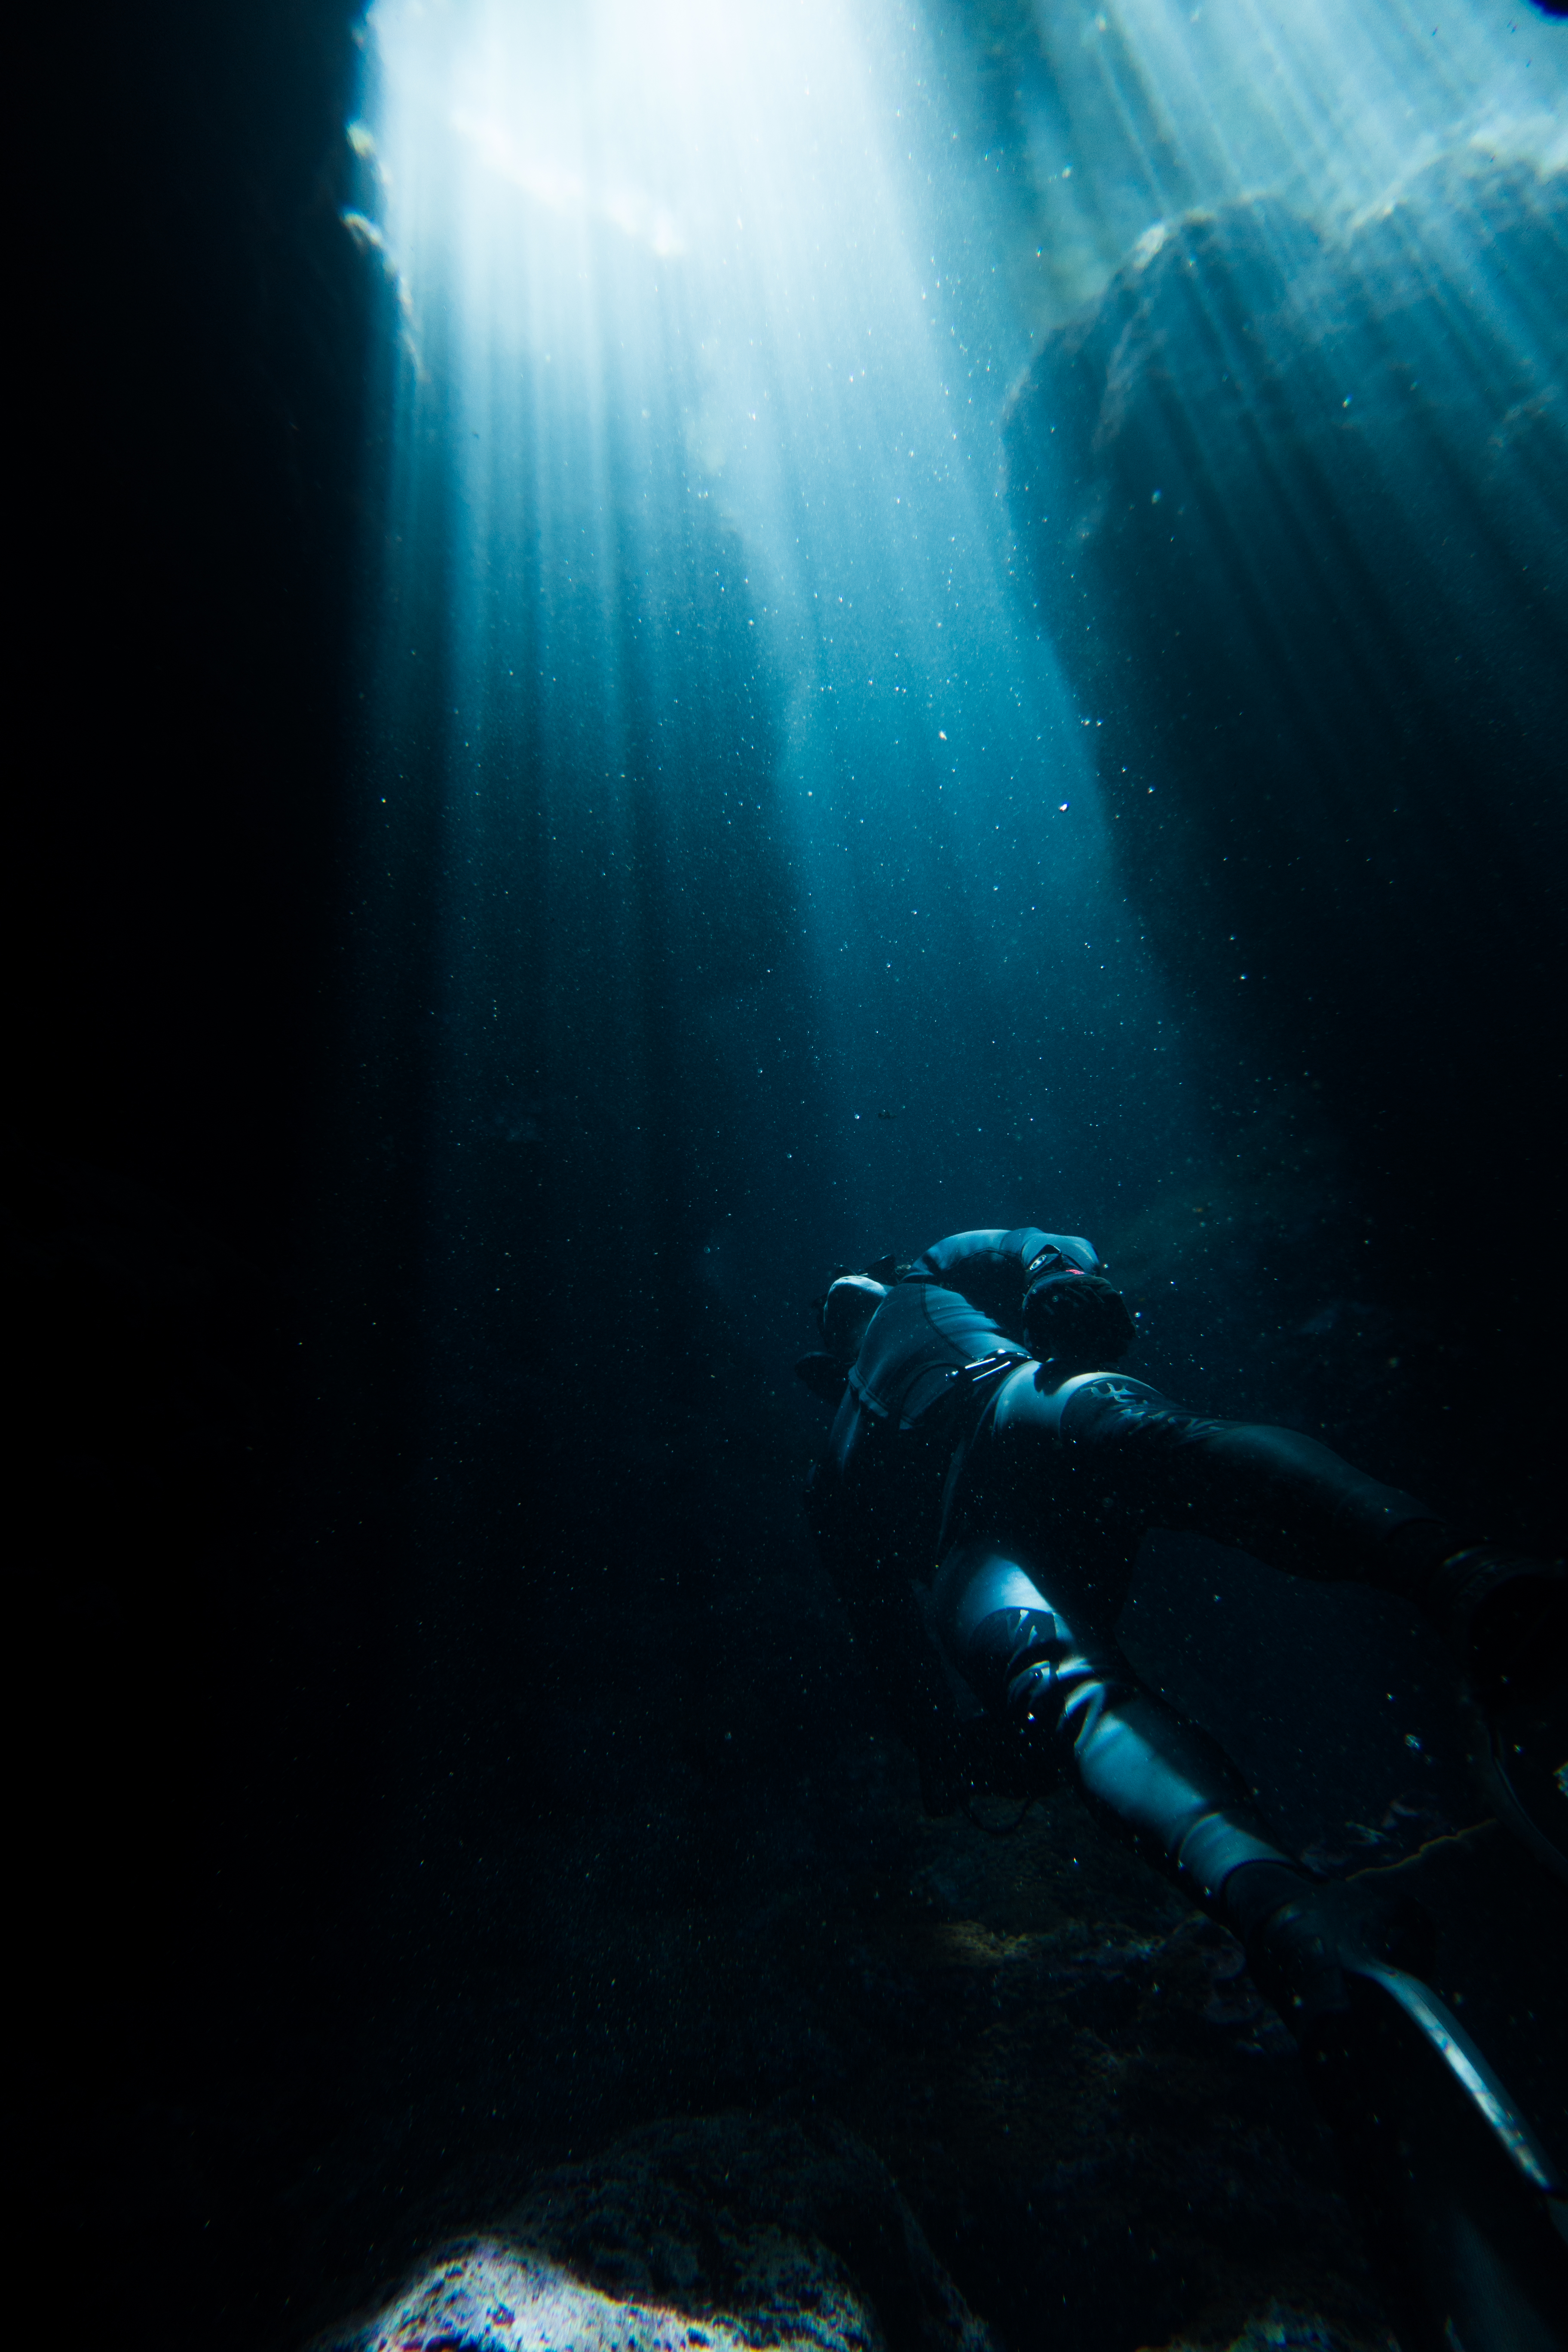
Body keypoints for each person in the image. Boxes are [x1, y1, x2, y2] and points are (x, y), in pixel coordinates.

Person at [797, 1227, 1568, 2349]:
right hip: (1008, 1444)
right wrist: (939, 1744)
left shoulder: (888, 1351)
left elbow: (1038, 1248)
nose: (837, 1295)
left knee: (1079, 1660)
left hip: (990, 1478)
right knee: (1162, 1468)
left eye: (842, 1290)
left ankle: (1294, 1905)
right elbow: (885, 1646)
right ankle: (1461, 1597)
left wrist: (947, 1751)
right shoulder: (851, 1425)